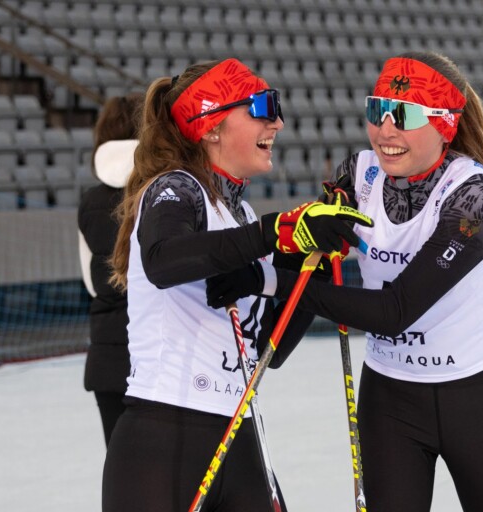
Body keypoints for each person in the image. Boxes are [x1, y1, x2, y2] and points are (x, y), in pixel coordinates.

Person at [207, 51, 483, 512]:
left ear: (444, 123)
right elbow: (310, 268)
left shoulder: (475, 199)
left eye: (404, 115)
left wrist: (264, 280)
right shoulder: (358, 174)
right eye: (377, 110)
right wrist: (273, 325)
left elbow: (394, 312)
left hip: (477, 398)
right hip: (390, 399)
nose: (386, 130)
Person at [101, 58, 373, 512]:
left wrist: (315, 264)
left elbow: (269, 349)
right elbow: (164, 260)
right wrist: (275, 232)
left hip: (240, 432)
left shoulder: (240, 214)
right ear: (211, 125)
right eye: (263, 108)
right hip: (166, 435)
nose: (277, 122)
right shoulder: (176, 189)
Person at [78, 92, 144, 446]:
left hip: (107, 357)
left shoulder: (89, 201)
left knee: (121, 468)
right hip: (156, 355)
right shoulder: (168, 191)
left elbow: (92, 283)